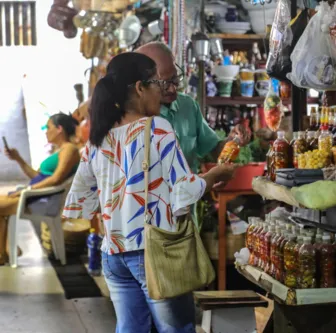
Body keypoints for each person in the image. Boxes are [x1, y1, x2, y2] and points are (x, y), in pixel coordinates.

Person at [61, 52, 237, 333]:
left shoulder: (98, 138)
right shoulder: (157, 129)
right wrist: (214, 175)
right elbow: (184, 191)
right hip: (153, 251)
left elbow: (81, 199)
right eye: (157, 82)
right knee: (176, 328)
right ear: (140, 88)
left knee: (131, 329)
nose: (164, 90)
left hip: (113, 253)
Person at [136, 42, 251, 173]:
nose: (173, 88)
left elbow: (213, 150)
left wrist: (232, 140)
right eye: (164, 84)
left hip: (191, 191)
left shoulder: (188, 105)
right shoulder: (135, 114)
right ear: (143, 85)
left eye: (175, 79)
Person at [0, 113, 80, 265]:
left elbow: (56, 178)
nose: (46, 131)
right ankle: (5, 251)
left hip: (43, 200)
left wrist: (27, 190)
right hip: (37, 195)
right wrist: (18, 159)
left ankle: (6, 251)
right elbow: (38, 176)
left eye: (48, 128)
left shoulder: (69, 149)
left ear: (59, 129)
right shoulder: (59, 150)